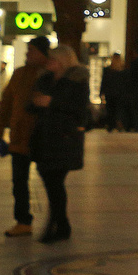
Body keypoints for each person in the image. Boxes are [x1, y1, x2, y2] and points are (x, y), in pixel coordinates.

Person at [28, 44, 91, 243]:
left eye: (53, 60)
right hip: (44, 136)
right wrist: (36, 104)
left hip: (64, 137)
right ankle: (62, 224)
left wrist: (51, 103)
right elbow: (32, 103)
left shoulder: (77, 80)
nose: (49, 63)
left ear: (63, 61)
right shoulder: (45, 79)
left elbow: (79, 109)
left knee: (55, 182)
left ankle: (53, 226)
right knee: (51, 181)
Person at [0, 36, 51, 237]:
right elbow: (6, 101)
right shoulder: (19, 74)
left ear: (43, 54)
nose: (28, 54)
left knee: (51, 182)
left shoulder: (52, 75)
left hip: (44, 136)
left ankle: (56, 220)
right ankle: (23, 220)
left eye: (32, 51)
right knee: (19, 180)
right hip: (19, 136)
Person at [100, 52, 128, 131]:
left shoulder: (108, 71)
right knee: (118, 110)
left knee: (110, 110)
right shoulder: (123, 72)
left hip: (110, 94)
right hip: (119, 94)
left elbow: (104, 82)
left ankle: (111, 125)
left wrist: (101, 94)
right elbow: (125, 85)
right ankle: (118, 123)